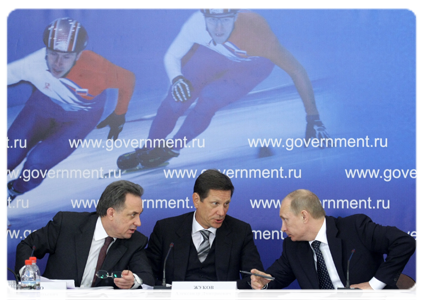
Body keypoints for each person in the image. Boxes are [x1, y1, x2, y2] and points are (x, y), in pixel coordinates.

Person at [117, 8, 330, 169]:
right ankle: (150, 147)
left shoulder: (258, 34)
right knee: (176, 99)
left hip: (252, 65)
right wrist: (177, 79)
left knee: (209, 100)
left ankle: (172, 148)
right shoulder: (195, 24)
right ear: (204, 18)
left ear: (236, 17)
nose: (219, 28)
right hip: (217, 55)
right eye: (213, 20)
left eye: (225, 21)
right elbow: (172, 56)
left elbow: (297, 70)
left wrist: (314, 118)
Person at [5, 18, 135, 209]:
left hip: (79, 119)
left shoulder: (97, 69)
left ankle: (12, 192)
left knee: (38, 161)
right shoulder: (32, 64)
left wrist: (120, 113)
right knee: (7, 156)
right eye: (52, 54)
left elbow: (128, 79)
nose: (57, 63)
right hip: (43, 107)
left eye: (66, 57)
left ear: (79, 55)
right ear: (46, 52)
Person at [250, 189, 417, 292]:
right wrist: (264, 282)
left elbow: (404, 242)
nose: (282, 228)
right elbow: (276, 277)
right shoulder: (292, 246)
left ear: (304, 216)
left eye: (285, 219)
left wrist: (374, 285)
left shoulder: (355, 228)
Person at [15, 180, 155, 289]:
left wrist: (132, 281)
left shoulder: (135, 241)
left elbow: (147, 278)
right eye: (133, 215)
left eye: (139, 215)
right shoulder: (67, 224)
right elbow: (27, 245)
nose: (138, 223)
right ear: (111, 213)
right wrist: (26, 275)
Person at [146, 169, 263, 290]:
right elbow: (148, 276)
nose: (222, 212)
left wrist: (256, 281)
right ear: (196, 200)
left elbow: (253, 277)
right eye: (215, 203)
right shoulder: (166, 229)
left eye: (226, 204)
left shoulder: (240, 231)